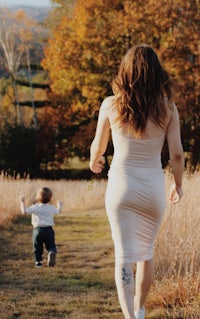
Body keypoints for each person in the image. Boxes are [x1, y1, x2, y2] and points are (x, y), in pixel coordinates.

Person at [89, 45, 184, 319]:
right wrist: (178, 184)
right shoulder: (168, 108)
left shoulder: (110, 104)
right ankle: (140, 310)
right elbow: (176, 153)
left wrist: (94, 161)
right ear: (157, 73)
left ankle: (130, 317)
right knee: (145, 254)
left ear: (125, 71)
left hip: (120, 187)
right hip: (152, 188)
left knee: (123, 256)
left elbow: (98, 146)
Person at [19, 187, 62, 268]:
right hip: (49, 230)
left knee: (37, 247)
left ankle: (38, 262)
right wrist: (59, 205)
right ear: (50, 198)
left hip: (38, 230)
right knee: (51, 245)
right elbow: (58, 212)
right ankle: (51, 252)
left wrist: (22, 202)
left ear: (37, 197)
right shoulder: (51, 207)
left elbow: (24, 212)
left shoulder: (35, 207)